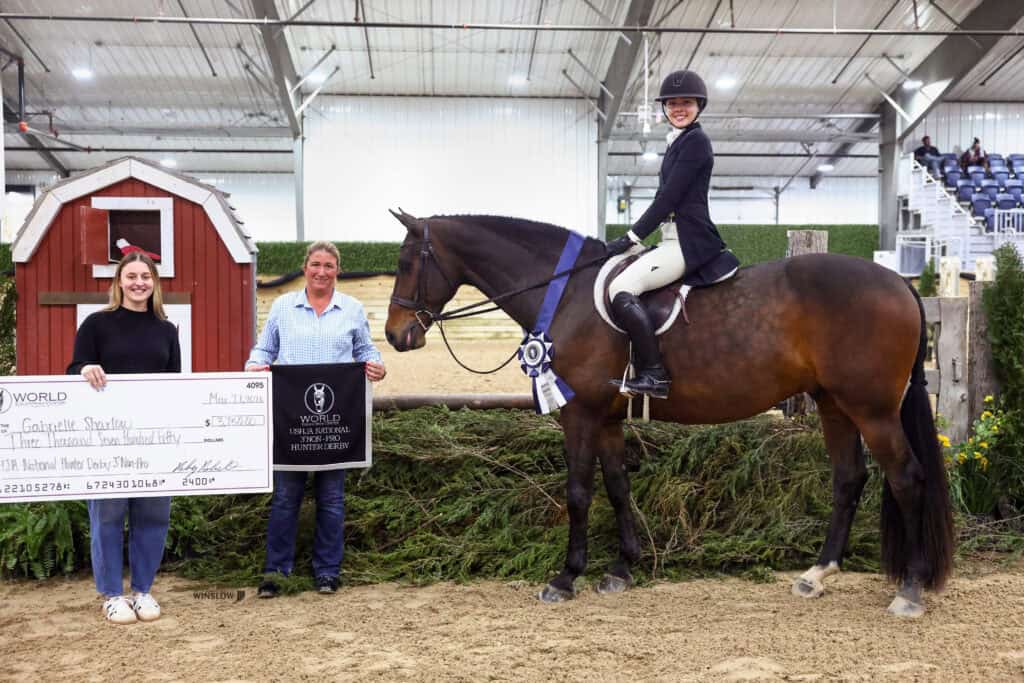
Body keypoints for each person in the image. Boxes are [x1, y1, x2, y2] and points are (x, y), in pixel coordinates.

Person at [246, 241, 386, 598]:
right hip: (292, 420)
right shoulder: (282, 306)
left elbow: (366, 350)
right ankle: (276, 572)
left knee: (332, 500)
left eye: (329, 265)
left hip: (335, 422)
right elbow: (264, 350)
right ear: (304, 267)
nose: (321, 271)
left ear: (338, 270)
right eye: (315, 264)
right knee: (284, 499)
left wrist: (376, 365)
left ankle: (327, 571)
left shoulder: (352, 309)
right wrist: (255, 367)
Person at [604, 69, 739, 398]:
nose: (679, 108)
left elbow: (668, 199)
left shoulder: (696, 142)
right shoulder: (681, 141)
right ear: (664, 107)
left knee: (622, 288)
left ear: (699, 106)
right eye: (673, 103)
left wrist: (632, 237)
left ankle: (654, 374)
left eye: (687, 103)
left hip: (688, 242)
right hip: (671, 238)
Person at [67, 252, 181, 625]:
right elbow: (74, 368)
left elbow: (175, 386)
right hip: (106, 440)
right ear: (118, 282)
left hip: (153, 438)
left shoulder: (168, 330)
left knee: (153, 514)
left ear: (154, 283)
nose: (138, 283)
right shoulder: (96, 324)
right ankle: (112, 594)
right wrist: (85, 368)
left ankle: (143, 590)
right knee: (108, 514)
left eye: (145, 276)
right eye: (130, 276)